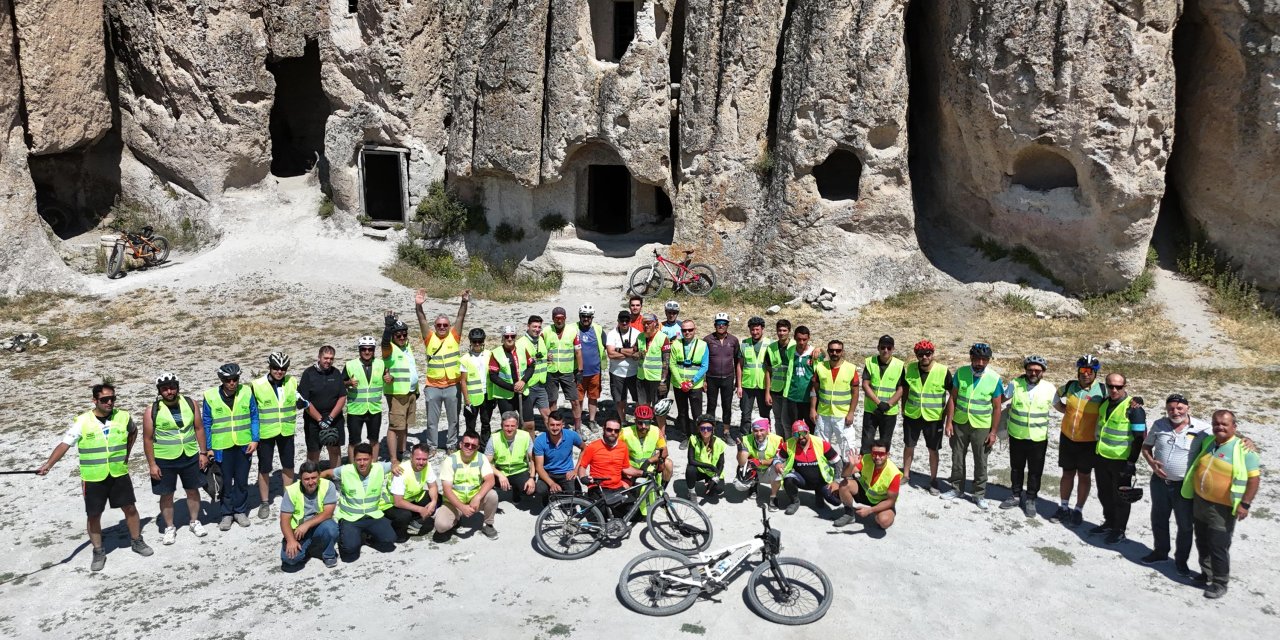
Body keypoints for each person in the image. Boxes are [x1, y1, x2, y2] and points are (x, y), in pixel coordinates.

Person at [38, 383, 154, 571]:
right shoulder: (83, 421)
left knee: (130, 508)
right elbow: (64, 444)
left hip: (118, 472)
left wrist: (127, 453)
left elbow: (133, 431)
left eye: (112, 399)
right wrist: (48, 465)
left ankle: (137, 541)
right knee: (93, 515)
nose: (110, 402)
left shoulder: (123, 416)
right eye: (104, 399)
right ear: (95, 400)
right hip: (93, 477)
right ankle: (98, 551)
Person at [1182, 410, 1261, 599]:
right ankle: (1206, 574)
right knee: (1202, 541)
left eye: (1225, 424)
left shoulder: (1244, 449)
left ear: (1234, 426)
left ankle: (1220, 582)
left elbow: (1254, 480)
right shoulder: (1209, 442)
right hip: (1201, 502)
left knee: (1218, 546)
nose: (1220, 427)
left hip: (1222, 508)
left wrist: (1245, 504)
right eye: (1216, 423)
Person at [1141, 393, 1210, 575]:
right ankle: (1160, 552)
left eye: (1179, 408)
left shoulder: (1203, 429)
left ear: (1187, 408)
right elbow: (1146, 447)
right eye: (1171, 408)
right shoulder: (1159, 425)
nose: (1175, 411)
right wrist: (1151, 463)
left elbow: (1224, 438)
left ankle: (1181, 562)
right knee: (1159, 518)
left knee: (1185, 525)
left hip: (1183, 486)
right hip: (1159, 483)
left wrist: (1246, 441)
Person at [143, 373, 209, 544]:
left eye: (172, 387)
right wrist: (152, 464)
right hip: (164, 459)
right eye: (165, 389)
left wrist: (203, 453)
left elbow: (199, 428)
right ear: (159, 391)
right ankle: (170, 527)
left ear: (177, 387)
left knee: (193, 490)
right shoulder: (152, 410)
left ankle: (194, 521)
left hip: (189, 455)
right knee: (166, 494)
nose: (169, 391)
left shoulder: (190, 403)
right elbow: (147, 439)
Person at [940, 343, 1003, 509]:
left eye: (984, 360)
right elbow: (952, 399)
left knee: (981, 460)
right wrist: (949, 422)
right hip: (960, 423)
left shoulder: (994, 378)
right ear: (971, 358)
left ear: (988, 361)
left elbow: (997, 408)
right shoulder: (961, 373)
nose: (980, 363)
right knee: (957, 457)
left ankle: (979, 494)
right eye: (977, 359)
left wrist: (993, 432)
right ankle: (956, 489)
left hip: (982, 426)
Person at [1090, 373, 1146, 544]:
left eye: (1119, 387)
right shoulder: (1105, 403)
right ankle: (1109, 522)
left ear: (1125, 386)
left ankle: (1119, 530)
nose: (1114, 390)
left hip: (1121, 461)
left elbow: (1139, 438)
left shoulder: (1134, 409)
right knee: (1104, 493)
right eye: (1111, 386)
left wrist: (1131, 463)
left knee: (1121, 497)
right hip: (1102, 456)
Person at [203, 363, 260, 530]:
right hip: (222, 447)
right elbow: (207, 423)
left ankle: (240, 511)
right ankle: (226, 514)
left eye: (235, 379)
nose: (232, 383)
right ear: (222, 380)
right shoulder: (210, 396)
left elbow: (254, 416)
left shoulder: (247, 392)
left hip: (244, 445)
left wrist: (255, 439)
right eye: (228, 380)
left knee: (242, 481)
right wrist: (209, 447)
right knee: (225, 482)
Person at [999, 355, 1057, 517]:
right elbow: (1001, 399)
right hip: (1017, 435)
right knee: (1016, 468)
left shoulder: (1049, 388)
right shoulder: (1015, 384)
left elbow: (1061, 407)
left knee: (1035, 470)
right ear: (1025, 370)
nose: (1033, 373)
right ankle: (1016, 495)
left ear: (1043, 372)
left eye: (1037, 370)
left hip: (1038, 438)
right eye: (1030, 369)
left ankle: (1031, 498)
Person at [1050, 355, 1105, 526]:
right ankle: (1064, 507)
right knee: (1067, 474)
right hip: (1067, 438)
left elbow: (1119, 399)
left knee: (1084, 476)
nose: (1086, 374)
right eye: (1082, 370)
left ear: (1095, 373)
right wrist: (1065, 410)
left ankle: (1078, 509)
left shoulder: (1103, 391)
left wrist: (1136, 402)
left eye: (1090, 371)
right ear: (1078, 371)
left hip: (1088, 442)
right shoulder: (1070, 386)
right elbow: (1055, 399)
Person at [322, 442, 398, 561]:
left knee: (390, 540)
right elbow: (326, 473)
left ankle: (367, 536)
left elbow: (395, 463)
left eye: (365, 459)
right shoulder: (345, 470)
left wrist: (395, 465)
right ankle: (351, 537)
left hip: (372, 516)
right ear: (354, 459)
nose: (362, 463)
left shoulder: (379, 468)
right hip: (350, 518)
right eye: (358, 460)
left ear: (372, 459)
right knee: (349, 552)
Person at [417, 289, 469, 453]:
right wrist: (418, 306)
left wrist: (464, 301)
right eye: (439, 325)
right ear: (434, 326)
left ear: (449, 326)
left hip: (453, 385)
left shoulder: (454, 336)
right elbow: (421, 320)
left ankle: (451, 445)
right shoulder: (429, 337)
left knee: (453, 419)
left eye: (445, 325)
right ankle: (432, 446)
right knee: (432, 420)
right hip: (433, 386)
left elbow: (460, 317)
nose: (442, 327)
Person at [252, 352, 299, 519]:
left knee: (288, 464)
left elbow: (299, 399)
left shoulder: (292, 381)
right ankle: (265, 502)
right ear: (269, 367)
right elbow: (251, 411)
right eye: (276, 368)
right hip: (266, 432)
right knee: (264, 467)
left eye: (283, 368)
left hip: (286, 430)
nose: (279, 371)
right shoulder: (257, 385)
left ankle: (288, 498)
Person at [902, 340, 949, 495]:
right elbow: (906, 389)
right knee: (909, 445)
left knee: (933, 449)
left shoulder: (943, 371)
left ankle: (933, 480)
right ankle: (906, 475)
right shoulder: (910, 368)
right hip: (912, 414)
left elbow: (953, 395)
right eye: (921, 354)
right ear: (916, 355)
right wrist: (903, 409)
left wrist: (948, 417)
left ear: (932, 354)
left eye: (927, 354)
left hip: (934, 418)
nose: (924, 357)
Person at [435, 430, 500, 540]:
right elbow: (447, 490)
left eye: (473, 446)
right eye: (466, 444)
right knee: (441, 527)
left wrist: (478, 497)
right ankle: (456, 518)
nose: (469, 447)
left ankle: (488, 524)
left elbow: (490, 480)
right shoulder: (450, 460)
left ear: (478, 447)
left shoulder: (481, 458)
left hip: (474, 500)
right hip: (454, 502)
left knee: (492, 495)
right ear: (460, 445)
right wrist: (462, 507)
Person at [279, 461, 339, 569]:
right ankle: (308, 548)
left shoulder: (328, 486)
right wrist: (291, 540)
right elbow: (284, 520)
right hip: (298, 532)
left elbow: (328, 513)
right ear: (301, 479)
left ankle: (329, 554)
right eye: (306, 479)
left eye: (314, 478)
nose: (311, 482)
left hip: (319, 525)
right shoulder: (292, 491)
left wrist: (306, 525)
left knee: (332, 528)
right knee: (290, 560)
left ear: (319, 476)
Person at [775, 421, 842, 516]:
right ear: (793, 435)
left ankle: (819, 493)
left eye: (803, 433)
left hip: (821, 481)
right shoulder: (788, 444)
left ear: (808, 431)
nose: (801, 437)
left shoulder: (821, 443)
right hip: (801, 480)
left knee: (837, 501)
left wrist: (836, 481)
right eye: (797, 434)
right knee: (788, 479)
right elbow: (777, 458)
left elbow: (838, 462)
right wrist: (777, 463)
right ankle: (794, 501)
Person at [810, 340, 859, 464]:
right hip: (823, 413)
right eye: (831, 350)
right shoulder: (820, 367)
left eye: (837, 351)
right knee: (820, 445)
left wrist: (851, 412)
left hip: (842, 415)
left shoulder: (851, 368)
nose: (834, 353)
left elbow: (855, 393)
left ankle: (849, 473)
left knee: (847, 446)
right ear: (828, 351)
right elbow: (814, 390)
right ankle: (823, 471)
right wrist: (812, 409)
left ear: (842, 352)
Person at [833, 439, 901, 530]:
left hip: (881, 500)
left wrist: (870, 510)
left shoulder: (894, 473)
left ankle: (880, 514)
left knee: (884, 522)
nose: (877, 457)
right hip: (865, 492)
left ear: (887, 455)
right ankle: (849, 514)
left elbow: (891, 501)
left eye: (881, 454)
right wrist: (852, 465)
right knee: (844, 484)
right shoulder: (866, 458)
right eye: (874, 453)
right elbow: (844, 475)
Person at [380, 443, 439, 542]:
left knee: (438, 499)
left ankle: (414, 520)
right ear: (411, 457)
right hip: (390, 504)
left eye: (424, 459)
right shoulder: (401, 471)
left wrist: (433, 501)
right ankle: (393, 527)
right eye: (418, 459)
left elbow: (433, 486)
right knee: (404, 517)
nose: (421, 462)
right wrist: (420, 509)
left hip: (411, 497)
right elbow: (398, 502)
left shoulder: (427, 466)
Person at [382, 308, 419, 464]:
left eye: (404, 334)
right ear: (393, 336)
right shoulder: (389, 348)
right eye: (398, 335)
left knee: (404, 425)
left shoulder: (406, 346)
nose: (402, 337)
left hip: (410, 392)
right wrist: (387, 329)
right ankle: (393, 458)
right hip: (397, 394)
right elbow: (383, 344)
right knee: (394, 426)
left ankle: (402, 451)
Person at [299, 346, 345, 467]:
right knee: (313, 452)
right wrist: (320, 419)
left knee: (335, 450)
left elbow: (342, 397)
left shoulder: (336, 373)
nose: (328, 361)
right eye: (325, 358)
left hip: (334, 418)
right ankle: (311, 480)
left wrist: (330, 418)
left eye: (331, 358)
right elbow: (304, 401)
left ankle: (336, 479)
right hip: (313, 420)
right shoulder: (308, 374)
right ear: (319, 357)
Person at [861, 335, 905, 455]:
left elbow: (901, 389)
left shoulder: (899, 365)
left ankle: (882, 470)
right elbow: (865, 384)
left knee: (885, 442)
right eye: (883, 347)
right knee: (867, 441)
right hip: (872, 409)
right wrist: (878, 403)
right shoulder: (870, 362)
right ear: (878, 348)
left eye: (889, 348)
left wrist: (888, 404)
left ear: (893, 349)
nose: (886, 350)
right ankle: (864, 469)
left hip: (889, 411)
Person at [344, 336, 386, 462]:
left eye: (370, 349)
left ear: (374, 350)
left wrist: (390, 378)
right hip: (355, 409)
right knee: (354, 441)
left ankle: (373, 466)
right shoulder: (350, 365)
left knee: (374, 440)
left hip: (374, 408)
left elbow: (388, 378)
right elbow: (340, 383)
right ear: (359, 350)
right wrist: (348, 383)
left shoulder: (381, 364)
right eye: (363, 349)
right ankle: (353, 467)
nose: (367, 352)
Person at [533, 409, 586, 505]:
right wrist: (551, 483)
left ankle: (561, 493)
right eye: (552, 425)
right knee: (540, 490)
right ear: (547, 424)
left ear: (563, 425)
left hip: (566, 472)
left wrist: (575, 470)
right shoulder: (540, 440)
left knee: (573, 499)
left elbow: (584, 449)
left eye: (558, 425)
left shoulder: (571, 435)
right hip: (548, 472)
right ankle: (548, 495)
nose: (555, 428)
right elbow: (539, 467)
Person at [578, 418, 641, 498]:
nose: (613, 433)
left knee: (633, 509)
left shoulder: (623, 446)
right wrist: (583, 477)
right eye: (609, 430)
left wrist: (642, 473)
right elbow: (582, 467)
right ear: (603, 429)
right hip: (598, 487)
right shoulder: (592, 447)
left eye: (616, 430)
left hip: (617, 487)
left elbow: (626, 468)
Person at [545, 306, 584, 431]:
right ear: (553, 318)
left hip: (567, 372)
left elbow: (578, 352)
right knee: (552, 401)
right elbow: (539, 348)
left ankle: (577, 427)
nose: (559, 321)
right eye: (556, 318)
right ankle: (555, 426)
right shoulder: (546, 331)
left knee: (575, 401)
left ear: (565, 318)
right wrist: (544, 356)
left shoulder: (573, 331)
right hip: (551, 371)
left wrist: (580, 371)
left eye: (561, 318)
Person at [670, 319, 709, 447]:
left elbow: (704, 366)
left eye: (690, 330)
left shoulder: (703, 345)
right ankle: (685, 436)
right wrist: (681, 382)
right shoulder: (676, 344)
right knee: (682, 412)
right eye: (684, 330)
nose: (687, 332)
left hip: (695, 385)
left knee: (697, 413)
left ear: (694, 330)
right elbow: (672, 364)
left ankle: (698, 437)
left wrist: (692, 382)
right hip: (679, 385)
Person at [489, 325, 534, 432]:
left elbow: (531, 366)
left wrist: (523, 381)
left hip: (523, 392)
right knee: (509, 426)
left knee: (529, 425)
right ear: (503, 337)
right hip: (505, 396)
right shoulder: (496, 353)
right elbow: (493, 376)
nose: (509, 339)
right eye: (507, 336)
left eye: (512, 336)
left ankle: (530, 448)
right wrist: (511, 387)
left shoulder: (522, 349)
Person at [485, 411, 535, 505]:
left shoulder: (525, 436)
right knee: (483, 477)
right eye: (506, 426)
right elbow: (485, 462)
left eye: (512, 426)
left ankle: (516, 491)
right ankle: (490, 499)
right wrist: (500, 475)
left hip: (519, 470)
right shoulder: (494, 438)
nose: (509, 429)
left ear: (517, 426)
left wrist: (532, 478)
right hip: (500, 470)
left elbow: (533, 459)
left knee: (530, 490)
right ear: (502, 425)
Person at [635, 312, 672, 437]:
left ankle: (662, 434)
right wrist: (636, 354)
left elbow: (666, 362)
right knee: (643, 407)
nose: (646, 326)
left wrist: (663, 381)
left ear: (655, 324)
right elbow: (635, 351)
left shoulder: (663, 338)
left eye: (649, 323)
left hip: (657, 379)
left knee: (659, 408)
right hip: (642, 377)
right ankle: (645, 432)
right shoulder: (640, 337)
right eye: (644, 323)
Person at [703, 312, 740, 436]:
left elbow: (737, 361)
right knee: (711, 405)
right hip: (711, 378)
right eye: (718, 323)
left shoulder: (734, 340)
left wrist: (737, 381)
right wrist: (704, 380)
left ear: (728, 325)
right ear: (714, 325)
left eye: (724, 324)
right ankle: (710, 431)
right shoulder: (707, 340)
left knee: (727, 406)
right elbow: (703, 361)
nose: (721, 326)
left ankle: (726, 432)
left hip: (728, 378)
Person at [736, 316, 772, 443]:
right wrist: (739, 386)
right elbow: (739, 366)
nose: (755, 332)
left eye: (757, 329)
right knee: (745, 414)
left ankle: (766, 436)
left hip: (763, 385)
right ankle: (745, 437)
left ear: (762, 329)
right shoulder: (744, 344)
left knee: (765, 414)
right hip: (747, 385)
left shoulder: (770, 344)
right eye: (752, 330)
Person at [736, 418, 783, 508]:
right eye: (755, 431)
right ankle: (754, 485)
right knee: (740, 484)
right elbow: (741, 463)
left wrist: (760, 461)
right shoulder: (745, 439)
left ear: (768, 429)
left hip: (769, 470)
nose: (759, 434)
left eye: (762, 430)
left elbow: (780, 460)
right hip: (755, 470)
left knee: (778, 467)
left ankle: (773, 497)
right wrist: (740, 449)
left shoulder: (778, 440)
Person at [516, 315, 552, 432]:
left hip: (541, 384)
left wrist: (548, 358)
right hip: (528, 386)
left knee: (547, 415)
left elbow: (540, 359)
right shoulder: (520, 343)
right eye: (534, 326)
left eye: (539, 327)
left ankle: (554, 440)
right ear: (528, 326)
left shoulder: (541, 340)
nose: (537, 329)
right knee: (527, 420)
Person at [606, 310, 641, 426]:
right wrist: (630, 353)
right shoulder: (612, 334)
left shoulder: (637, 334)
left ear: (630, 321)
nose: (624, 323)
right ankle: (623, 420)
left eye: (627, 320)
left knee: (638, 399)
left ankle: (638, 420)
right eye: (622, 320)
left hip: (634, 372)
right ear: (618, 321)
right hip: (617, 372)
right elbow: (610, 354)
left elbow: (638, 353)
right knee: (620, 399)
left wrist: (618, 350)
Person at [621, 404, 672, 482]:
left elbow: (665, 452)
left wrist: (649, 461)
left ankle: (662, 489)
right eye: (640, 423)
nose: (644, 426)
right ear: (635, 421)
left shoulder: (656, 431)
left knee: (668, 463)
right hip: (631, 468)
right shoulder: (625, 432)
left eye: (647, 422)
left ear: (651, 421)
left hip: (649, 467)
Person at [763, 319, 796, 440]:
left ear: (789, 331)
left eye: (784, 330)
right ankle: (780, 445)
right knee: (777, 420)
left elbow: (819, 354)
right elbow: (768, 371)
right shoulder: (771, 348)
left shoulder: (796, 346)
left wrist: (819, 349)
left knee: (787, 421)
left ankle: (788, 446)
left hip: (790, 390)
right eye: (779, 330)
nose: (781, 333)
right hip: (776, 390)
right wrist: (767, 392)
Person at [780, 326, 817, 432]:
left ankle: (810, 448)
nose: (801, 342)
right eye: (799, 339)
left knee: (812, 427)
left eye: (804, 339)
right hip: (793, 396)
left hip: (809, 398)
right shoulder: (790, 351)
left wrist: (820, 349)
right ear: (794, 338)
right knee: (796, 427)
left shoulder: (813, 353)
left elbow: (823, 359)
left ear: (809, 338)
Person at [576, 305, 607, 431]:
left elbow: (606, 345)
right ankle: (577, 422)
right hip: (579, 371)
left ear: (592, 317)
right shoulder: (573, 329)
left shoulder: (598, 329)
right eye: (583, 316)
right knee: (578, 398)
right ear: (580, 316)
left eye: (588, 316)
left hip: (595, 371)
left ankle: (592, 420)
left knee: (593, 397)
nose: (586, 319)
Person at [461, 328, 494, 443]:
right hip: (472, 397)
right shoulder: (465, 359)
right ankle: (470, 445)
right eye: (474, 341)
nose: (477, 344)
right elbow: (463, 381)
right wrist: (466, 400)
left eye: (480, 341)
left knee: (486, 423)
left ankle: (485, 447)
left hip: (487, 395)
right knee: (470, 425)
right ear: (470, 342)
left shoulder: (489, 355)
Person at [686, 415, 727, 499]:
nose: (705, 431)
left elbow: (721, 464)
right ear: (698, 429)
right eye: (702, 428)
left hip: (712, 472)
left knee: (719, 490)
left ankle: (709, 482)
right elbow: (691, 460)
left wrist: (716, 478)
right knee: (690, 469)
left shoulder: (720, 443)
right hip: (700, 470)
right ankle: (691, 492)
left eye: (708, 428)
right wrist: (710, 466)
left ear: (713, 429)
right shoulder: (693, 439)